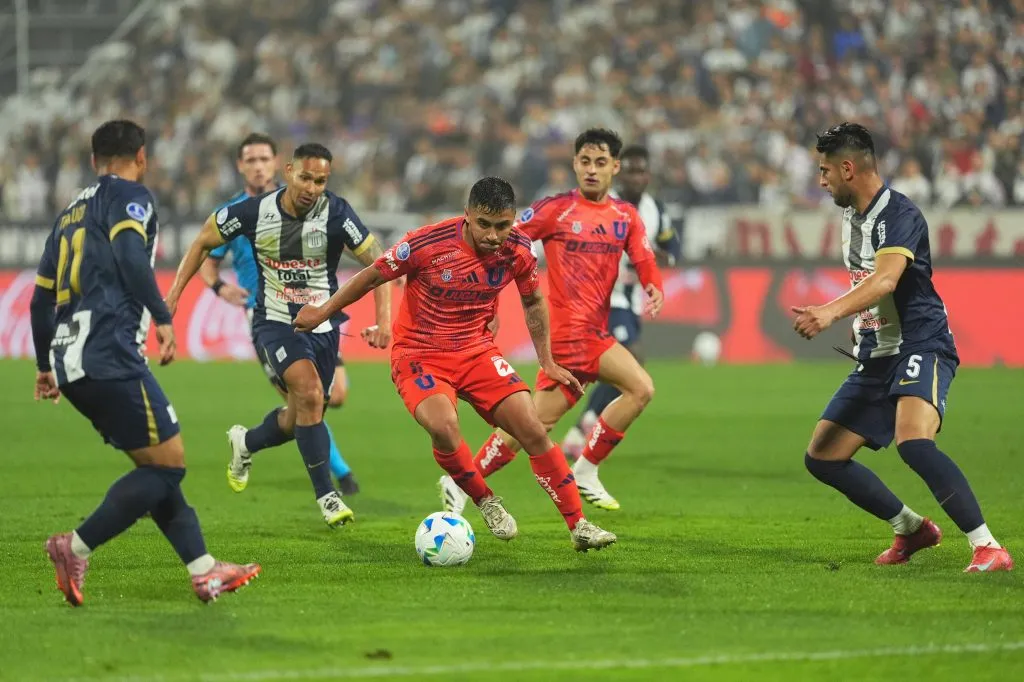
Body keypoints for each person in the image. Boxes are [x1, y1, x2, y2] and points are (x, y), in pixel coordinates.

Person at [293, 176, 617, 552]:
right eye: (485, 224)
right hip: (420, 354)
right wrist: (322, 313)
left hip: (476, 351)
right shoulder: (426, 243)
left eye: (503, 225)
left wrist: (547, 361)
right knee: (444, 426)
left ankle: (579, 526)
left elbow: (532, 302)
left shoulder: (519, 249)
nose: (494, 235)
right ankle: (485, 500)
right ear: (467, 215)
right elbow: (370, 277)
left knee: (532, 427)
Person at [30, 119, 260, 606]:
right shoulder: (130, 197)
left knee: (156, 468)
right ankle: (73, 547)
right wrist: (162, 316)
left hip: (71, 362)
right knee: (169, 466)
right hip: (111, 352)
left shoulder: (69, 213)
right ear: (142, 157)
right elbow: (131, 256)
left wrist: (44, 366)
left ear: (93, 161)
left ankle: (203, 571)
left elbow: (39, 299)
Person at [793, 122, 1013, 573]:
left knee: (914, 442)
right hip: (878, 351)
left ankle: (988, 546)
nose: (821, 181)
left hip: (921, 340)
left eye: (825, 171)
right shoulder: (851, 218)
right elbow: (870, 286)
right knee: (823, 456)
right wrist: (861, 325)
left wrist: (831, 313)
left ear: (848, 168)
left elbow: (888, 278)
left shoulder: (898, 214)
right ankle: (911, 528)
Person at [166, 143, 391, 528]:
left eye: (321, 180)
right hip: (273, 322)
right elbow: (204, 239)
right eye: (305, 177)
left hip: (322, 325)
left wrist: (384, 322)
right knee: (306, 394)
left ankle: (247, 442)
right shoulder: (253, 211)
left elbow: (381, 263)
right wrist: (172, 298)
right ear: (288, 172)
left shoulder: (336, 212)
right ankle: (328, 496)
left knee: (306, 411)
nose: (312, 187)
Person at [447, 129, 665, 515]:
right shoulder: (555, 210)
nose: (592, 170)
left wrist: (653, 286)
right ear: (575, 165)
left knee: (639, 389)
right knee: (527, 428)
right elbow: (506, 240)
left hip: (595, 336)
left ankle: (584, 468)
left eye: (601, 163)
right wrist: (489, 293)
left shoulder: (625, 216)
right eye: (585, 162)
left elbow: (644, 256)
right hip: (563, 340)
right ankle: (465, 481)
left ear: (614, 167)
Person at [198, 133, 360, 494]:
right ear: (241, 166)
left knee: (334, 396)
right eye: (250, 160)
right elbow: (207, 262)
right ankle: (338, 475)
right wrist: (220, 288)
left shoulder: (303, 203)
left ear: (278, 164)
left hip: (315, 313)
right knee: (306, 396)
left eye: (263, 159)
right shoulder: (237, 213)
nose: (257, 166)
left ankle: (249, 442)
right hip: (267, 315)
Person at [560, 144, 680, 460]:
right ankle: (585, 438)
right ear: (618, 172)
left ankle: (580, 429)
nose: (635, 177)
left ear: (648, 175)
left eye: (641, 171)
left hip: (630, 302)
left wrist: (666, 256)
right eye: (630, 170)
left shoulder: (655, 210)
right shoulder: (606, 207)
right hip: (603, 301)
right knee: (632, 360)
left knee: (620, 368)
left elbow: (671, 243)